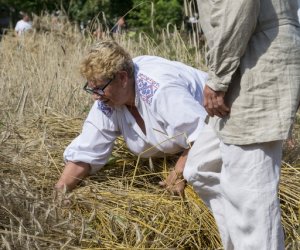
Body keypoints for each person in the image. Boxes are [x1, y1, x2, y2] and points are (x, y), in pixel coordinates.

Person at [183, 1, 300, 250]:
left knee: (251, 190)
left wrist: (218, 78)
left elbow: (239, 4)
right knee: (201, 167)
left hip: (258, 61)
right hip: (247, 58)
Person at [54, 40, 209, 197]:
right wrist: (60, 190)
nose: (95, 97)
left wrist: (178, 173)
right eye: (91, 89)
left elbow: (205, 133)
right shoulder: (108, 101)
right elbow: (87, 150)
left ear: (122, 78)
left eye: (99, 89)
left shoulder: (158, 90)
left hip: (222, 127)